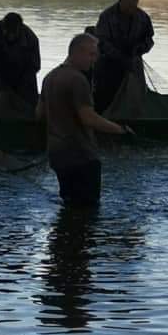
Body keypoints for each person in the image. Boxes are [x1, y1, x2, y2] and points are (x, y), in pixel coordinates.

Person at [38, 32, 132, 205]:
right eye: (91, 54)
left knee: (69, 204)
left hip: (57, 155)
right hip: (81, 156)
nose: (94, 60)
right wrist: (119, 129)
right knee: (89, 208)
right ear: (77, 52)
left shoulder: (49, 77)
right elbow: (88, 118)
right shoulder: (78, 80)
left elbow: (40, 114)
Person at [90, 0, 154, 113]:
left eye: (133, 6)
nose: (130, 9)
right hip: (108, 65)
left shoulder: (143, 17)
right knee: (104, 98)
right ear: (121, 0)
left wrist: (139, 49)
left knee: (134, 99)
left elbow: (149, 40)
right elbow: (101, 42)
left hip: (133, 64)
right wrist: (119, 57)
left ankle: (131, 120)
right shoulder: (107, 16)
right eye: (128, 6)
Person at [0, 11, 41, 108]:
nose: (10, 36)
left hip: (20, 76)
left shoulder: (31, 38)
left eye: (13, 33)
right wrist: (0, 84)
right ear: (3, 27)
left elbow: (35, 66)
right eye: (8, 32)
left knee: (27, 97)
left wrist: (18, 86)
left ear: (20, 29)